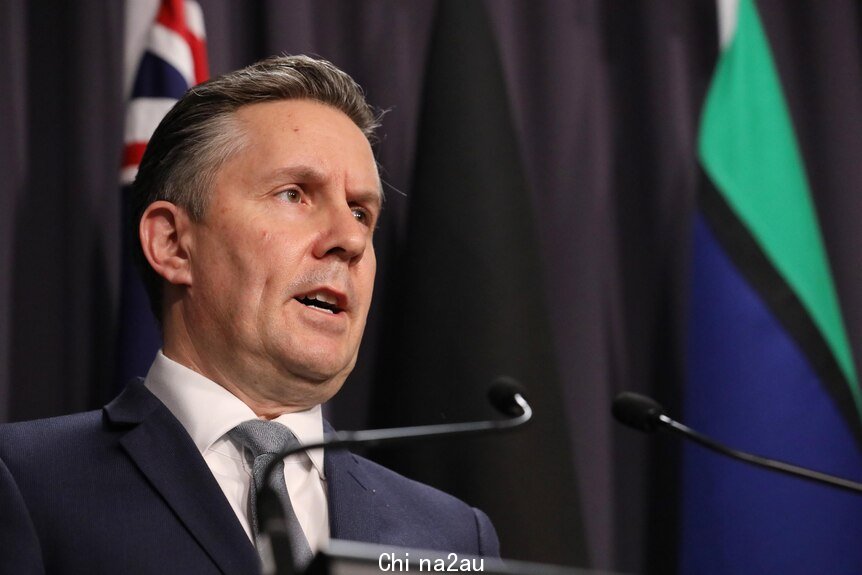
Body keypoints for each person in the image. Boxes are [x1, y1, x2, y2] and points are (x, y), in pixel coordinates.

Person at [0, 55, 499, 574]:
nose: (350, 240)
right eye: (294, 194)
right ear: (172, 244)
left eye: (360, 212)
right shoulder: (26, 482)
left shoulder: (453, 535)